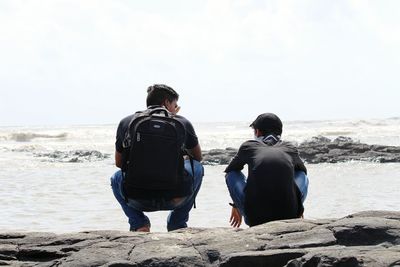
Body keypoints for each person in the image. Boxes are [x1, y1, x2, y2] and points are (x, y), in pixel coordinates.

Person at [110, 84, 204, 232]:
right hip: (175, 198)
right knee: (197, 168)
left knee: (116, 177)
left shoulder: (126, 122)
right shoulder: (182, 122)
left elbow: (119, 163)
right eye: (175, 104)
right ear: (166, 103)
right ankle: (177, 223)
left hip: (137, 199)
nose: (176, 108)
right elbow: (198, 158)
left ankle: (139, 223)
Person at [225, 113, 309, 227]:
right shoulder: (290, 147)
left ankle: (246, 207)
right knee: (301, 173)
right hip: (291, 214)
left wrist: (237, 204)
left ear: (258, 132)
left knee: (231, 174)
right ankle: (298, 208)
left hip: (255, 218)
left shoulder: (248, 146)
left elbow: (231, 170)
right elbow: (301, 171)